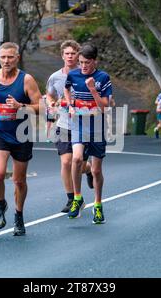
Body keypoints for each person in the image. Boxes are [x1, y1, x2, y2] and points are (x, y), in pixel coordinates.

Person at [0, 42, 41, 236]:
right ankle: (1, 203)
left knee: (19, 181)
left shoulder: (26, 80)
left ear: (17, 58)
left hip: (22, 134)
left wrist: (20, 106)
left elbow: (41, 106)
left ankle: (19, 215)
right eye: (3, 57)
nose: (6, 61)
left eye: (10, 57)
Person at [64, 44, 112, 224]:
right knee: (76, 159)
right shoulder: (73, 74)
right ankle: (77, 198)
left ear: (95, 61)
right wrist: (70, 105)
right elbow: (67, 89)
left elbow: (105, 106)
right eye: (81, 62)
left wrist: (92, 89)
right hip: (79, 125)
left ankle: (98, 205)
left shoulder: (103, 78)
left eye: (87, 63)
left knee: (97, 169)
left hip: (98, 128)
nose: (83, 66)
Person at [46, 40, 94, 213]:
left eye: (73, 53)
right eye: (67, 53)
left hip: (83, 124)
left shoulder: (86, 75)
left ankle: (88, 170)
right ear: (62, 56)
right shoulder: (55, 77)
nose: (70, 56)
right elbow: (50, 96)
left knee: (79, 163)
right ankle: (72, 198)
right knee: (66, 162)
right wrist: (52, 106)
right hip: (63, 124)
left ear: (78, 55)